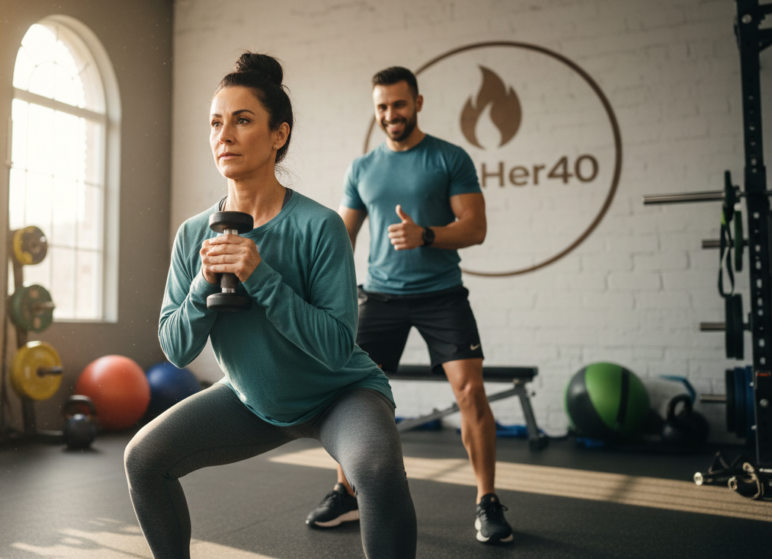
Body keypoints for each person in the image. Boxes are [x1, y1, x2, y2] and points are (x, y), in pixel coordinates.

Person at [124, 53, 417, 559]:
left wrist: (260, 275)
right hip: (251, 399)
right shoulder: (194, 234)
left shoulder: (319, 226)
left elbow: (333, 346)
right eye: (216, 123)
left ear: (278, 134)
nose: (225, 135)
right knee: (143, 459)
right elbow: (175, 348)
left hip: (338, 395)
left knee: (375, 469)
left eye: (242, 120)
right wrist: (203, 283)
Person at [303, 66, 513, 544]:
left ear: (418, 103)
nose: (390, 115)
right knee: (349, 393)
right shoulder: (362, 168)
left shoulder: (448, 158)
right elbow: (342, 237)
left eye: (398, 104)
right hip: (380, 296)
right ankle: (347, 491)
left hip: (441, 293)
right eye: (381, 107)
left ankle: (487, 500)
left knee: (470, 393)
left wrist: (427, 234)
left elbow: (475, 227)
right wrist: (315, 283)